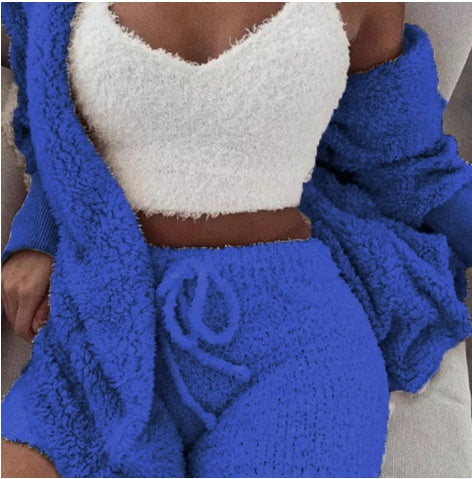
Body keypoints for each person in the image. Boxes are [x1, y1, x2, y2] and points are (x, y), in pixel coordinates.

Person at [2, 2, 471, 477]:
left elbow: (405, 163)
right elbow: (51, 125)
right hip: (108, 325)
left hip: (299, 344)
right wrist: (38, 232)